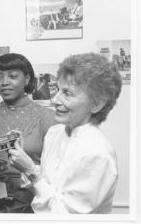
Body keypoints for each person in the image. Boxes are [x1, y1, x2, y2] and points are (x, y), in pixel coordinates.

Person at [8, 53, 122, 213]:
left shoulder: (98, 154)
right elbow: (49, 182)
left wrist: (29, 170)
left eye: (67, 93)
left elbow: (63, 214)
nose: (54, 100)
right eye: (58, 89)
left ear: (96, 104)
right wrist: (24, 159)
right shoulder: (56, 132)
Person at [0, 53, 56, 212]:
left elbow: (53, 172)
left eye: (12, 76)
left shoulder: (47, 116)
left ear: (27, 79)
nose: (4, 83)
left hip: (33, 200)